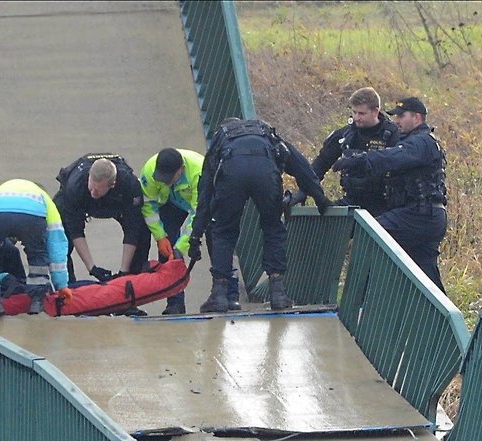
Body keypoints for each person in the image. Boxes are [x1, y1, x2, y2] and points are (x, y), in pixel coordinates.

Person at [189, 118, 330, 312]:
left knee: (223, 231)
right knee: (273, 227)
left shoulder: (221, 140)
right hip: (265, 170)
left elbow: (205, 191)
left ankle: (219, 295)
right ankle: (278, 293)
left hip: (232, 172)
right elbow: (300, 167)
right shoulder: (266, 134)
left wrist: (196, 234)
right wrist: (320, 199)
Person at [332, 96, 447, 293]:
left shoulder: (422, 142)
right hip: (424, 216)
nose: (396, 121)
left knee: (369, 234)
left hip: (419, 215)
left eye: (401, 116)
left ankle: (363, 300)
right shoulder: (410, 141)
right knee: (427, 280)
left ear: (417, 117)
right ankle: (445, 321)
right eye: (395, 116)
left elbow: (395, 157)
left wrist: (363, 160)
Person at [140, 147, 241, 314]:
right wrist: (160, 236)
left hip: (206, 205)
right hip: (172, 203)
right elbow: (148, 206)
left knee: (218, 243)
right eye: (161, 178)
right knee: (167, 249)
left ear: (182, 170)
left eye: (169, 178)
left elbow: (198, 216)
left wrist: (181, 248)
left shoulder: (200, 172)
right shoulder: (150, 171)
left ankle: (228, 295)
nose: (164, 181)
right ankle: (175, 302)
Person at [0, 179, 72, 316]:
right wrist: (61, 285)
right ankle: (36, 302)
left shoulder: (0, 191)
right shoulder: (45, 201)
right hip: (32, 216)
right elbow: (56, 244)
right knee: (38, 255)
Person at [54, 154, 151, 282]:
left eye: (98, 190)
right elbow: (75, 231)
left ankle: (132, 277)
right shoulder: (75, 185)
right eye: (92, 187)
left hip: (116, 203)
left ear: (112, 185)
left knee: (142, 231)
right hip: (79, 200)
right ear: (89, 176)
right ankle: (67, 284)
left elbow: (132, 229)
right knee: (58, 238)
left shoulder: (129, 184)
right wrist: (92, 268)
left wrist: (124, 270)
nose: (93, 192)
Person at [310, 87, 400, 216]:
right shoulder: (346, 135)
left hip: (383, 205)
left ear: (375, 111)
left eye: (362, 113)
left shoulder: (393, 135)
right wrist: (306, 188)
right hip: (351, 201)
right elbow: (321, 162)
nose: (357, 117)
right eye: (354, 112)